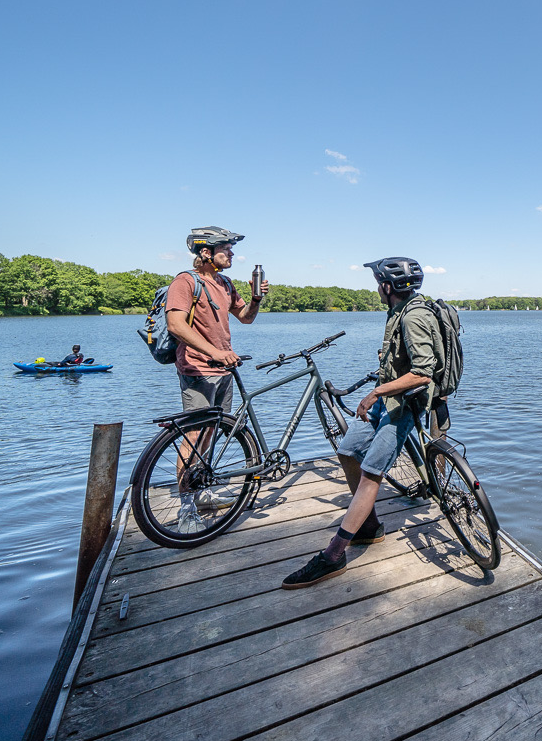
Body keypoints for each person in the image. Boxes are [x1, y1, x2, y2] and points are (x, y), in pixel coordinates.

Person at [282, 256, 441, 589]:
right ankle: (368, 527)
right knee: (347, 450)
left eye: (378, 282)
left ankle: (333, 555)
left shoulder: (413, 317)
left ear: (388, 286)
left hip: (406, 406)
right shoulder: (397, 312)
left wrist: (375, 393)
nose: (377, 288)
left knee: (371, 473)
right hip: (388, 398)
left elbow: (423, 374)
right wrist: (379, 390)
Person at [164, 226, 269, 532]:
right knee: (194, 437)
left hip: (224, 371)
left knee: (212, 433)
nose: (232, 253)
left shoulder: (224, 282)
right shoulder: (186, 282)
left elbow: (246, 318)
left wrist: (255, 298)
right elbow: (175, 325)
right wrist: (214, 351)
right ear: (206, 252)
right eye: (226, 248)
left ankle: (203, 490)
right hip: (197, 369)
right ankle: (186, 509)